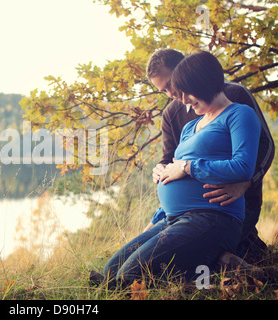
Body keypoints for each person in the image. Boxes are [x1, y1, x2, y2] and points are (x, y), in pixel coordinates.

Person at [100, 51, 262, 288]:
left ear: (202, 83)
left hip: (213, 217)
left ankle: (214, 280)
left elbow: (243, 166)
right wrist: (156, 220)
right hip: (174, 218)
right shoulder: (190, 127)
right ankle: (216, 267)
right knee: (110, 270)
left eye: (185, 91)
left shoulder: (238, 112)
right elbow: (171, 170)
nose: (182, 99)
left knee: (130, 276)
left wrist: (188, 167)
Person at [145, 49, 274, 262]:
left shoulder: (235, 97)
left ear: (185, 70)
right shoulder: (171, 114)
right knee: (159, 252)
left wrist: (246, 183)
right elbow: (171, 158)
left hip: (232, 200)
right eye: (163, 90)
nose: (170, 94)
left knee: (190, 251)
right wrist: (161, 170)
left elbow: (265, 145)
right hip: (188, 210)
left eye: (169, 85)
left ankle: (237, 253)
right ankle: (226, 257)